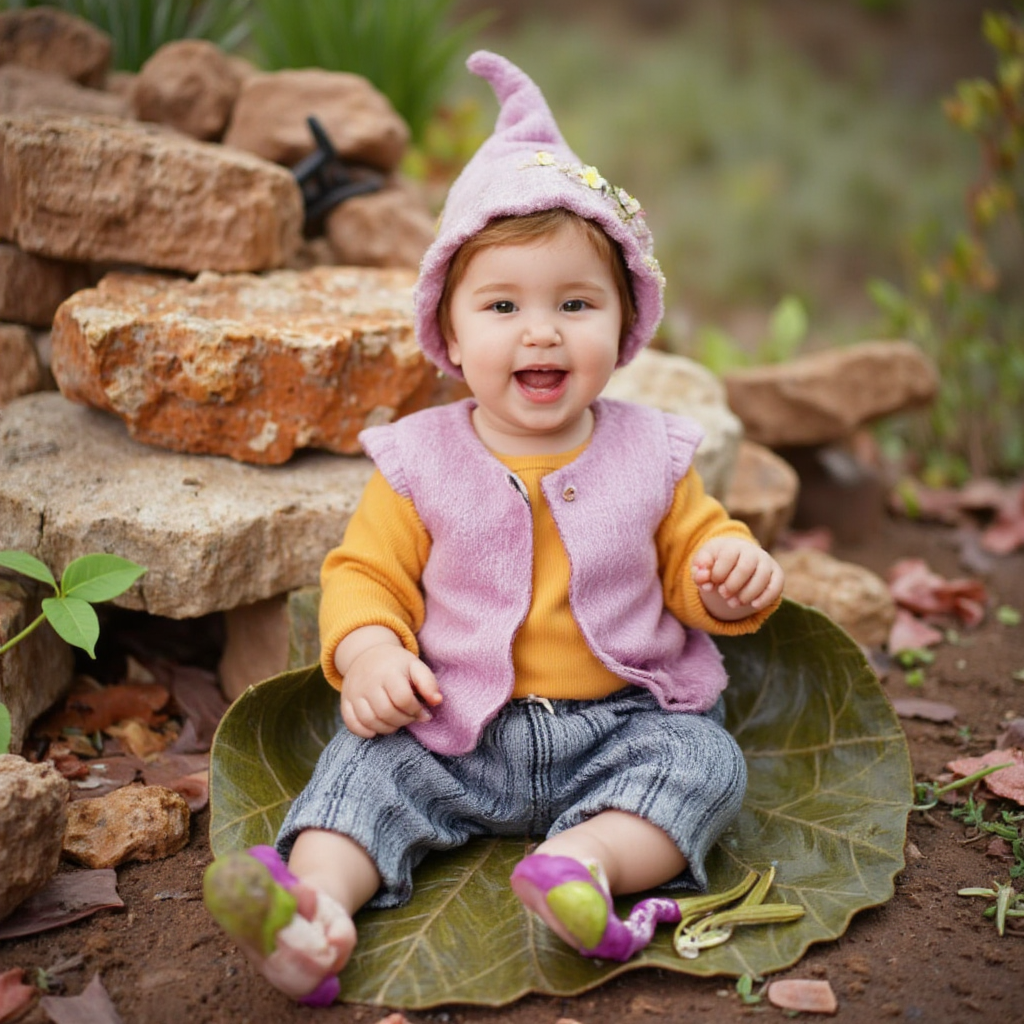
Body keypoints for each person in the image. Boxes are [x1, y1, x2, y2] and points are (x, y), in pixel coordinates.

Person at [204, 50, 784, 1005]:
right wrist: (373, 652)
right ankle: (312, 910)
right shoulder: (420, 460)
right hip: (452, 729)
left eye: (575, 303)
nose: (541, 332)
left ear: (627, 322)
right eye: (504, 305)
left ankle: (583, 867)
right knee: (362, 771)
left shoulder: (654, 453)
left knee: (705, 763)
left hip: (620, 724)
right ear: (452, 330)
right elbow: (365, 575)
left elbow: (692, 557)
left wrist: (725, 569)